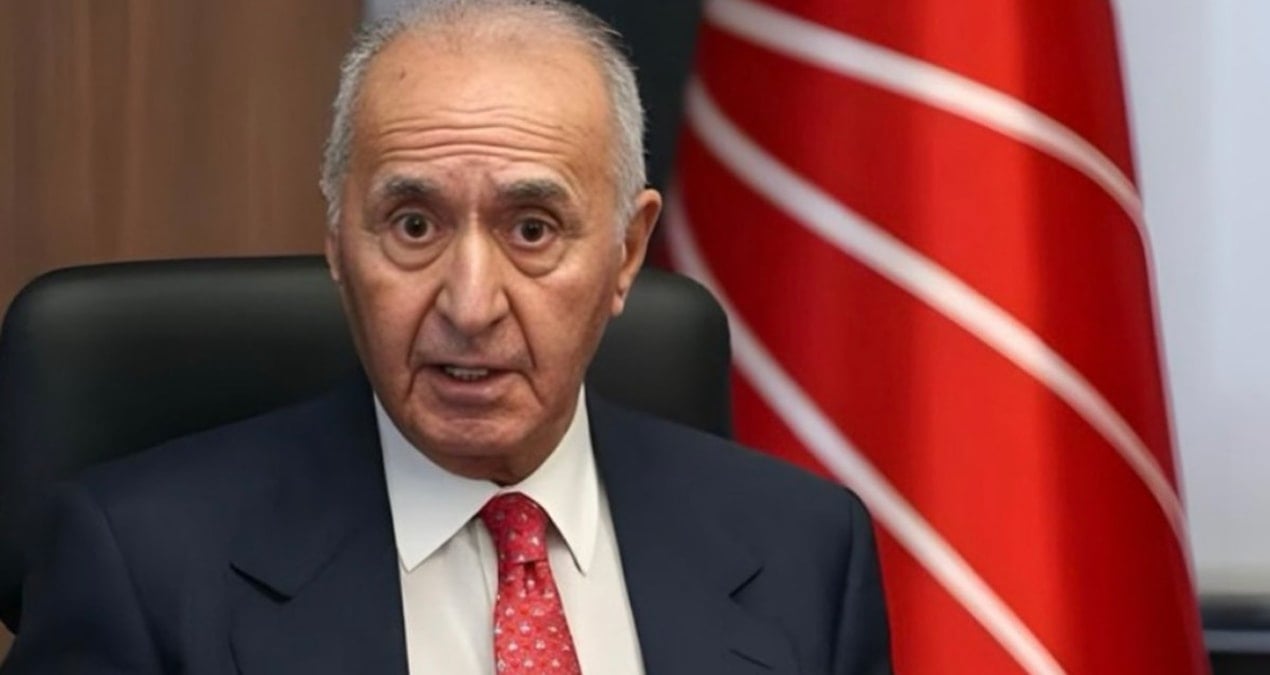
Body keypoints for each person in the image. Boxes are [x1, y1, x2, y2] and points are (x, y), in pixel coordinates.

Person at [0, 1, 891, 673]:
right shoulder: (140, 569)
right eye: (414, 226)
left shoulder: (806, 552)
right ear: (338, 241)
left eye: (532, 229)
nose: (470, 304)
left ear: (626, 252)